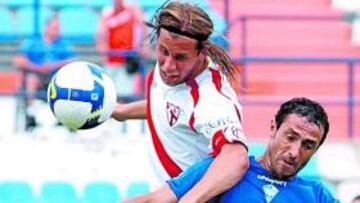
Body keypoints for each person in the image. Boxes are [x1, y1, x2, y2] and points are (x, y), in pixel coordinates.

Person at [112, 2, 249, 202]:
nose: (168, 66)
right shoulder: (173, 70)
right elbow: (166, 106)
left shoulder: (211, 100)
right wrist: (122, 112)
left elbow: (236, 157)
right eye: (163, 51)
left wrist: (190, 199)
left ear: (202, 53)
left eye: (180, 57)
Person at [123, 97, 341, 203]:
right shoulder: (228, 167)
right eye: (290, 137)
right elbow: (157, 200)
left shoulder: (316, 194)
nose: (294, 151)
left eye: (308, 145)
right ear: (273, 128)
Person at [12, 16, 75, 129]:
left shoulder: (63, 43)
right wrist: (39, 68)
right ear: (47, 28)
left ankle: (65, 116)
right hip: (38, 78)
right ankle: (31, 115)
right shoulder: (33, 42)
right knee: (31, 78)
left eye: (58, 28)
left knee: (68, 79)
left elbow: (72, 61)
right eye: (55, 28)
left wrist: (53, 66)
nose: (58, 31)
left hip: (57, 79)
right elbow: (19, 61)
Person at [96, 0, 148, 101]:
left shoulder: (132, 9)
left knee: (126, 94)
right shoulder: (107, 12)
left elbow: (144, 27)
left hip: (129, 60)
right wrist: (102, 50)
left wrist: (145, 46)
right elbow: (100, 34)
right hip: (111, 60)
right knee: (109, 93)